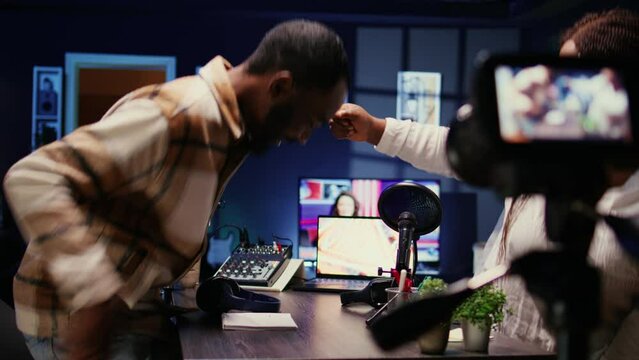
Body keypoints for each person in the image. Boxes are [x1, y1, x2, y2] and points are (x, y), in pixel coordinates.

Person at [4, 19, 349, 359]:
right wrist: (95, 294)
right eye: (309, 121)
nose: (302, 137)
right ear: (280, 87)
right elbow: (34, 178)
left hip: (129, 315)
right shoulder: (180, 114)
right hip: (71, 322)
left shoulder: (231, 129)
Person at [330, 8, 639, 359]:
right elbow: (454, 151)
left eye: (573, 81)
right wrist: (376, 130)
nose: (558, 91)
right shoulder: (548, 161)